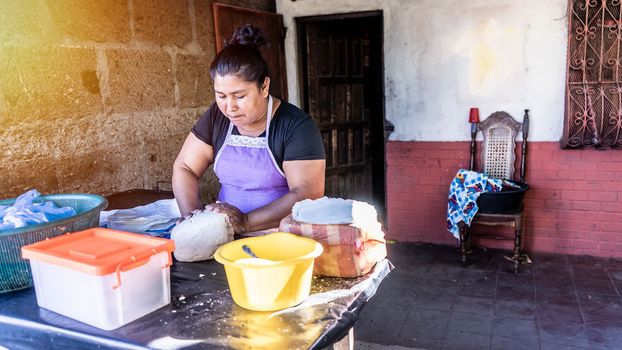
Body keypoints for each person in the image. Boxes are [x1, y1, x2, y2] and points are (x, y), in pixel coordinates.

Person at [172, 24, 326, 234]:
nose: (230, 107)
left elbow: (308, 193)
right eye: (221, 96)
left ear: (264, 87)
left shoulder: (295, 126)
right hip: (227, 234)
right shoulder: (217, 117)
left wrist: (246, 221)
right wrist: (193, 222)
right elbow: (185, 167)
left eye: (240, 96)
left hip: (282, 238)